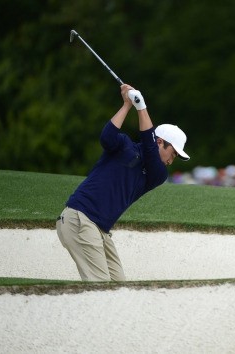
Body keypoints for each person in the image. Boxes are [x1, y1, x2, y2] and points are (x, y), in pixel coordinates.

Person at [56, 84, 190, 281]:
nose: (171, 160)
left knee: (120, 287)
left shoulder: (157, 173)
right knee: (101, 290)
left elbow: (150, 151)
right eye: (173, 153)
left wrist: (141, 106)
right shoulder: (124, 145)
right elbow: (106, 137)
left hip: (100, 230)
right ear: (160, 141)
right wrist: (127, 105)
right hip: (80, 218)